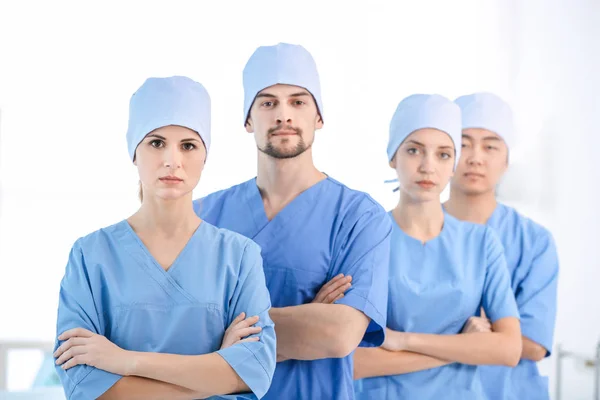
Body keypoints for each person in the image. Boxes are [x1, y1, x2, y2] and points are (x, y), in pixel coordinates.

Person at [53, 76, 276, 400]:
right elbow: (87, 387)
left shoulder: (239, 257)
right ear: (134, 152)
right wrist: (214, 373)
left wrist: (124, 361)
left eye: (188, 145)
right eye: (156, 143)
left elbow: (254, 374)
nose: (172, 160)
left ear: (204, 156)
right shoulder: (91, 256)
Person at [195, 42, 391, 400]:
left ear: (318, 117)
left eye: (298, 101)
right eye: (268, 102)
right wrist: (308, 318)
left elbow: (339, 335)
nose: (283, 115)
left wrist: (226, 332)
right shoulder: (202, 215)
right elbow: (174, 332)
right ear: (248, 119)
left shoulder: (359, 217)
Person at [353, 94, 522, 399]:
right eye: (414, 150)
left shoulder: (481, 243)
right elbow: (352, 361)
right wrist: (465, 347)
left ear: (454, 164)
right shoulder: (364, 241)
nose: (428, 166)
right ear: (393, 156)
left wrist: (402, 340)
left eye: (443, 154)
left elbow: (509, 349)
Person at [445, 92, 559, 400]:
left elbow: (534, 344)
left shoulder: (533, 241)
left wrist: (439, 327)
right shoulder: (408, 229)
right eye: (464, 143)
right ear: (446, 151)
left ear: (506, 160)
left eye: (490, 146)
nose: (476, 157)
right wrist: (500, 328)